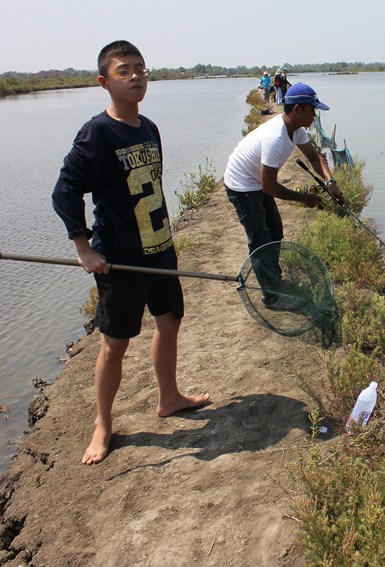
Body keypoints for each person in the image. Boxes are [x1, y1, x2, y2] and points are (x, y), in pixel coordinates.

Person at [52, 40, 210, 465]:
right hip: (120, 258)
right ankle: (103, 424)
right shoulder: (97, 133)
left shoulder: (149, 128)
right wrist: (84, 248)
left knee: (170, 321)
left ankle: (169, 397)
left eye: (140, 68)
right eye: (125, 70)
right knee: (115, 344)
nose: (136, 75)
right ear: (105, 81)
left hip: (160, 250)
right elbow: (65, 192)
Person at [223, 82, 344, 309]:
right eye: (312, 110)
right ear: (298, 109)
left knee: (275, 231)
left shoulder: (296, 129)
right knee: (260, 238)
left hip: (258, 183)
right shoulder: (275, 138)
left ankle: (273, 279)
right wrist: (303, 199)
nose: (314, 115)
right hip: (242, 185)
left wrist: (330, 182)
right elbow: (269, 187)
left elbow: (314, 156)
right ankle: (271, 296)